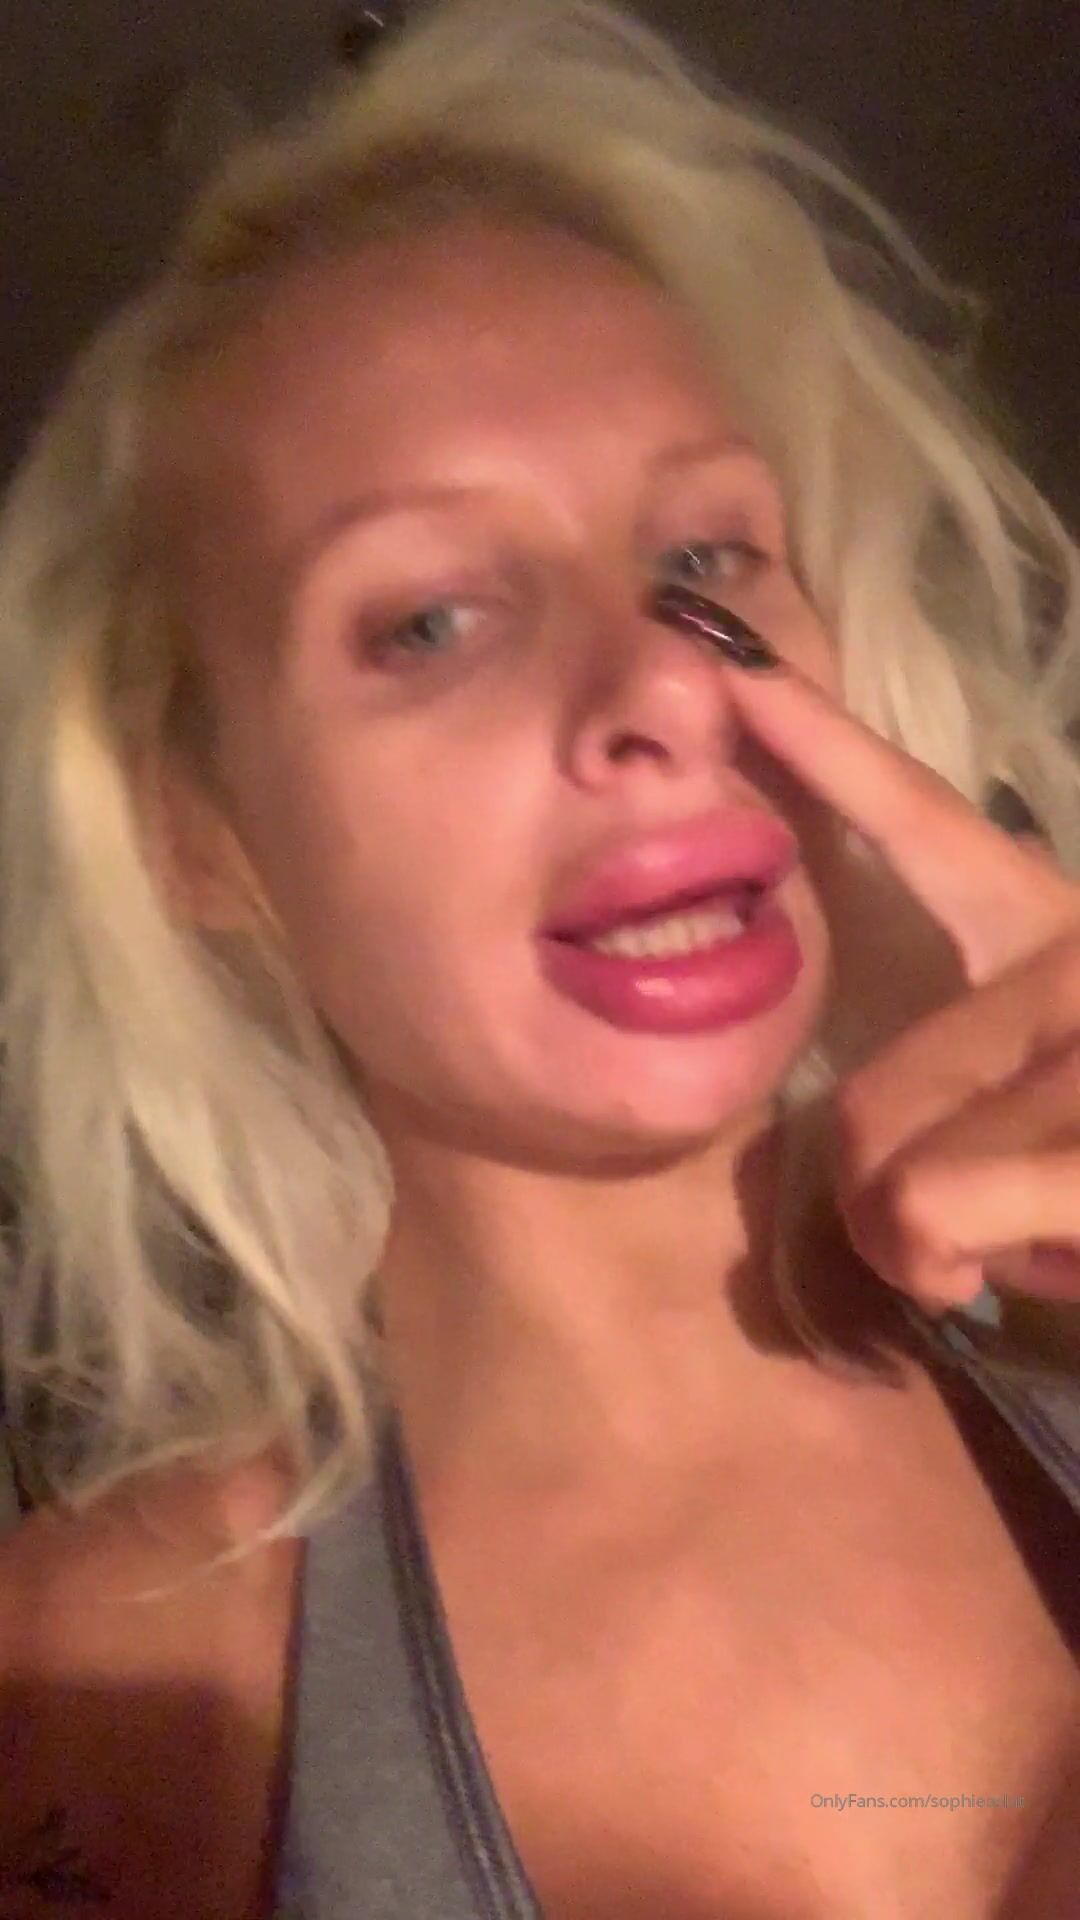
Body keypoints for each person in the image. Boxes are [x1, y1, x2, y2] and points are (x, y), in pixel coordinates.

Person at [0, 1, 1078, 1914]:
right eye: (426, 620)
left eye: (708, 563)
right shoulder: (121, 1676)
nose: (663, 681)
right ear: (199, 829)